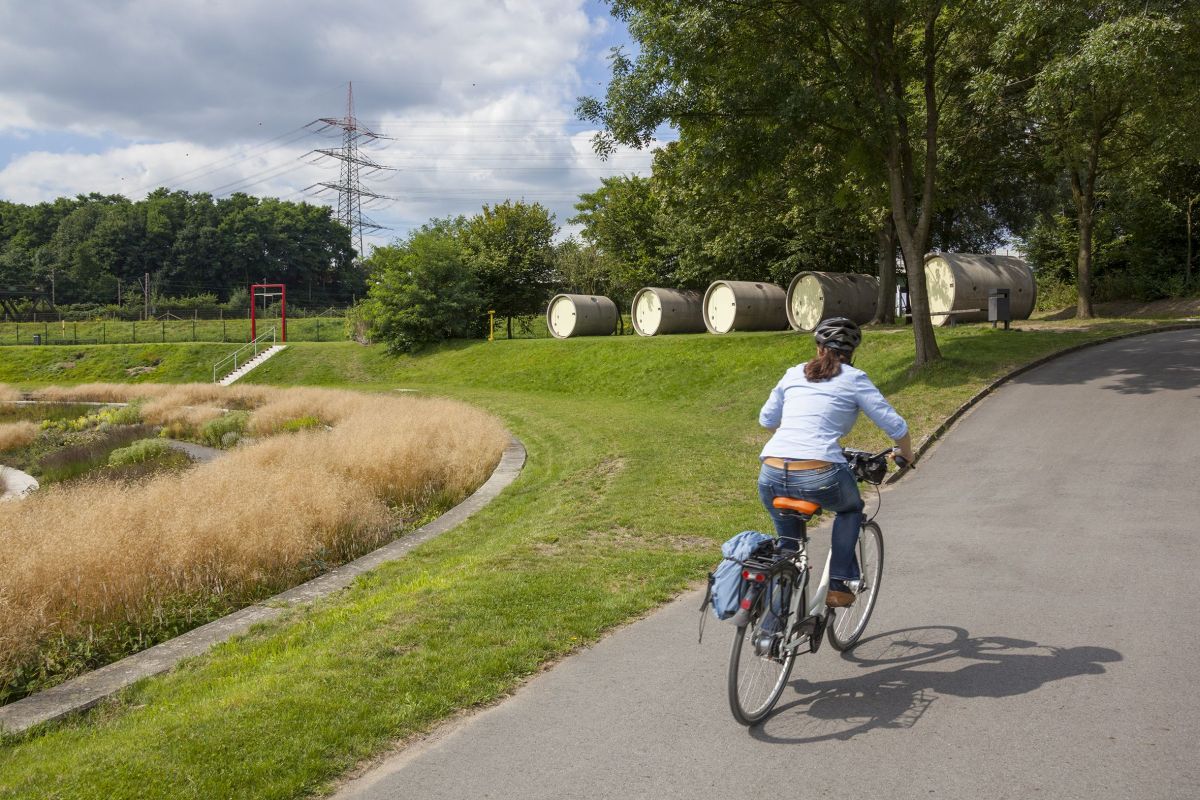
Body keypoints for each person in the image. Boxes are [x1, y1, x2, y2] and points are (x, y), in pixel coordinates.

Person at [758, 317, 913, 609]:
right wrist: (906, 453)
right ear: (852, 353)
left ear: (818, 348)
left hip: (771, 472)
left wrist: (794, 440)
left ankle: (774, 624)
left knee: (788, 549)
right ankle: (840, 584)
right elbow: (896, 426)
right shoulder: (854, 378)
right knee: (851, 509)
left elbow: (767, 420)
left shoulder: (793, 373)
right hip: (820, 473)